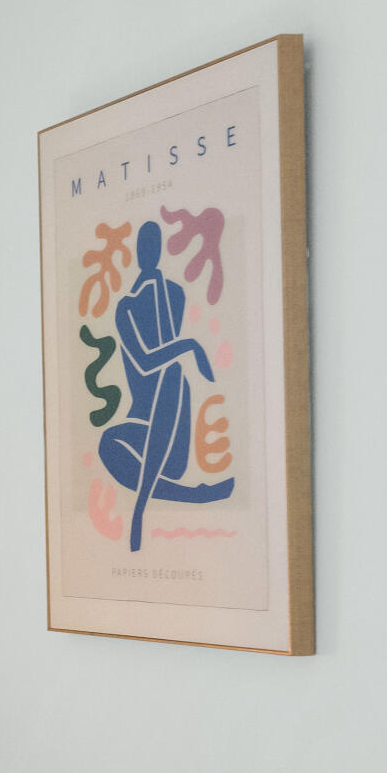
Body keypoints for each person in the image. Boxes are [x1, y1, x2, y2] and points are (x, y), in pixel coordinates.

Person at [96, 218, 233, 550]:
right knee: (106, 444)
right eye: (143, 245)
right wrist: (190, 345)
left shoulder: (175, 294)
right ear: (136, 251)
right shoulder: (125, 307)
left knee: (172, 374)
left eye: (152, 245)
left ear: (158, 250)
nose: (148, 251)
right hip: (143, 421)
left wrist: (184, 348)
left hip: (175, 420)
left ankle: (141, 507)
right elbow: (144, 362)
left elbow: (164, 365)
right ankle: (192, 497)